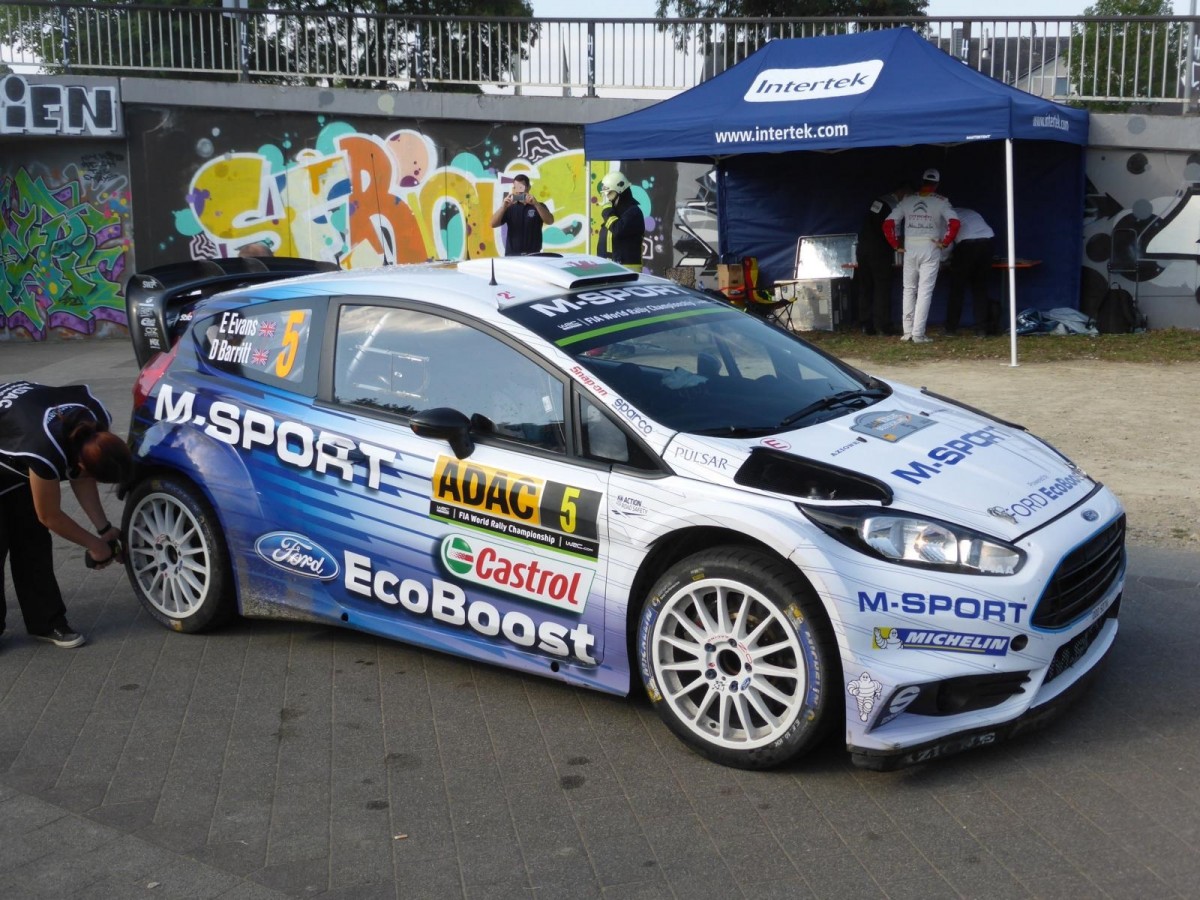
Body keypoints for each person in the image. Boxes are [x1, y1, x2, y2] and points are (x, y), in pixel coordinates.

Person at [0, 382, 133, 649]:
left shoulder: (96, 423)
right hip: (19, 432)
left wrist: (104, 529)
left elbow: (81, 478)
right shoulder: (43, 446)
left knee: (32, 540)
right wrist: (95, 546)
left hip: (17, 432)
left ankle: (46, 622)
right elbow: (49, 515)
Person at [883, 168, 960, 344]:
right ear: (937, 184)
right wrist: (945, 242)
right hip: (930, 246)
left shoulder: (908, 200)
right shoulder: (941, 201)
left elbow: (888, 224)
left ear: (922, 181)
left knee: (908, 289)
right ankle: (918, 334)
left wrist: (896, 245)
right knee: (925, 290)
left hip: (910, 247)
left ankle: (907, 332)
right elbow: (954, 223)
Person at [854, 182, 912, 335]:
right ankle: (884, 326)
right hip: (879, 250)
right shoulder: (893, 206)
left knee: (865, 287)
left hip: (863, 248)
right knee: (882, 287)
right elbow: (892, 231)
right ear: (902, 192)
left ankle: (865, 324)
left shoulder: (878, 201)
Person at [944, 207, 996, 336]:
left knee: (957, 289)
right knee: (980, 288)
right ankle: (981, 329)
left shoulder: (944, 216)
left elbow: (946, 242)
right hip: (988, 242)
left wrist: (942, 259)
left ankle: (951, 328)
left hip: (967, 245)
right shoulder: (968, 211)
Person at [490, 173, 554, 255]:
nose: (518, 191)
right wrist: (503, 207)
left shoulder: (539, 206)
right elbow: (492, 224)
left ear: (528, 188)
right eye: (516, 188)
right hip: (512, 256)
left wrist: (536, 204)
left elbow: (550, 221)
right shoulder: (509, 207)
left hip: (533, 255)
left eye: (521, 187)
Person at [596, 171, 645, 271]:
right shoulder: (615, 212)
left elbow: (617, 229)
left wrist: (607, 212)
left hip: (626, 270)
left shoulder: (633, 212)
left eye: (610, 193)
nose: (607, 198)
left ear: (620, 191)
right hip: (610, 268)